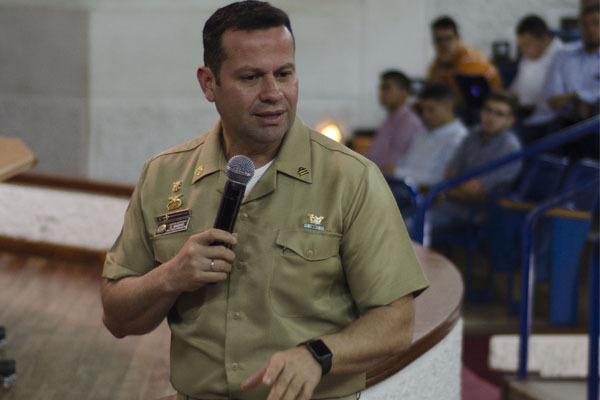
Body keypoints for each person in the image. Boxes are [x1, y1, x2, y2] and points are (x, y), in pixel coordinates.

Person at [100, 2, 428, 400]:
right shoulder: (164, 175)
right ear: (208, 84)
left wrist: (319, 354)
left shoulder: (352, 179)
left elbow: (396, 322)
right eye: (251, 77)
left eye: (284, 74)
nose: (274, 93)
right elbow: (117, 316)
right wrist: (170, 277)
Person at [426, 92, 522, 244]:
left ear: (510, 121)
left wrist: (450, 191)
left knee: (410, 229)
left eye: (499, 114)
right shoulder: (472, 135)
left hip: (473, 215)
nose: (490, 117)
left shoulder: (510, 147)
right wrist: (458, 188)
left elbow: (477, 193)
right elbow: (449, 174)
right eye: (487, 110)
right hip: (444, 206)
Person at [394, 83, 468, 189]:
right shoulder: (422, 134)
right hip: (402, 186)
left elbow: (438, 179)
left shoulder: (459, 138)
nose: (425, 115)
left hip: (422, 196)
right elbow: (405, 163)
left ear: (448, 106)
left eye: (431, 109)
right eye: (422, 110)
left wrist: (397, 172)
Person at [427, 16, 503, 110]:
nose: (443, 44)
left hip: (488, 111)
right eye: (438, 40)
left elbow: (465, 100)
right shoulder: (436, 64)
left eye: (448, 38)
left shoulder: (472, 61)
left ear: (458, 39)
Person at [509, 14, 564, 130]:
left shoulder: (562, 57)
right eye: (521, 46)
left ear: (544, 39)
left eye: (527, 45)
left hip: (548, 120)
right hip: (520, 111)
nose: (523, 51)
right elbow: (516, 87)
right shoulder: (528, 56)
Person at [366, 70, 425, 174]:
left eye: (386, 88)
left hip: (392, 183)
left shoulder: (409, 122)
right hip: (377, 177)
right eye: (380, 89)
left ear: (404, 92)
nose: (381, 93)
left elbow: (391, 165)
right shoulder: (388, 120)